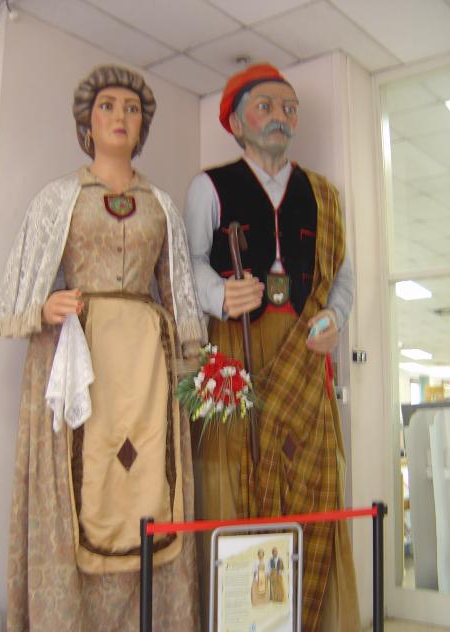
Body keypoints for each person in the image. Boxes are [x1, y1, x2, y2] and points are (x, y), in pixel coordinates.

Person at [0, 65, 206, 631]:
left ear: (142, 127)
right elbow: (18, 297)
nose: (120, 116)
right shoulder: (58, 198)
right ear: (87, 122)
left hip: (147, 371)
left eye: (131, 109)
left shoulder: (161, 205)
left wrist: (195, 370)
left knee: (150, 482)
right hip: (77, 363)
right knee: (78, 486)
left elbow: (179, 292)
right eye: (107, 106)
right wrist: (45, 307)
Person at [185, 63, 360, 631]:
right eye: (266, 106)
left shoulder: (325, 195)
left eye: (289, 108)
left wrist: (335, 316)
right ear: (236, 123)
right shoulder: (209, 187)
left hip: (306, 354)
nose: (281, 116)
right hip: (237, 356)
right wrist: (219, 295)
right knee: (237, 479)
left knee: (314, 486)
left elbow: (342, 276)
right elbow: (187, 264)